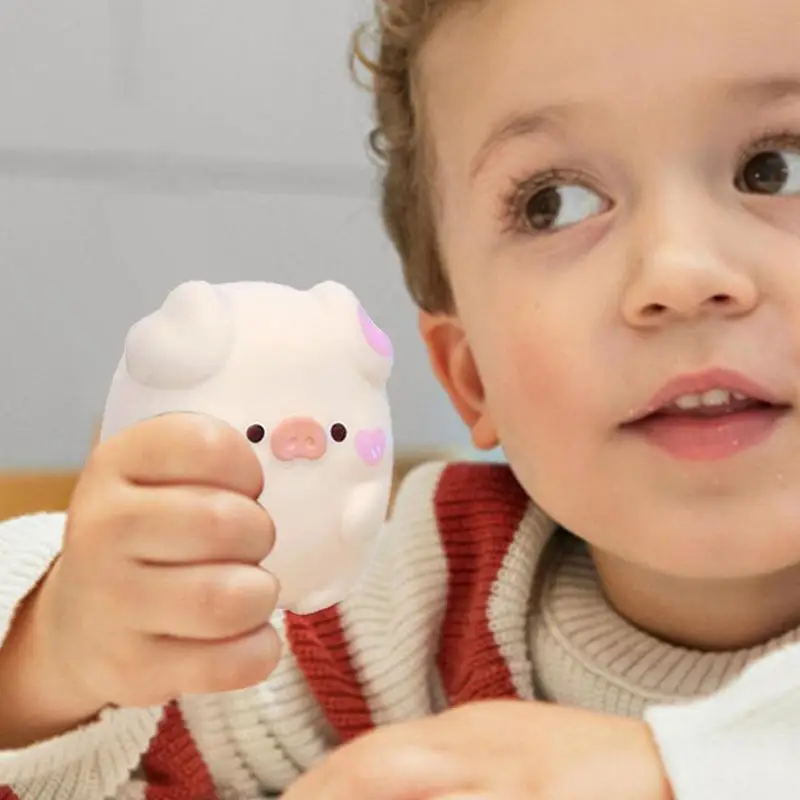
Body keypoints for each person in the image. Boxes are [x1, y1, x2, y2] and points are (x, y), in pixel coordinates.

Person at [0, 0, 799, 797]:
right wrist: (54, 659)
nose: (680, 274)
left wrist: (683, 772)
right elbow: (119, 761)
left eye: (777, 167)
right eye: (554, 203)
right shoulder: (415, 606)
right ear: (472, 378)